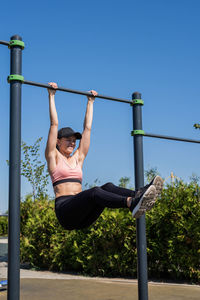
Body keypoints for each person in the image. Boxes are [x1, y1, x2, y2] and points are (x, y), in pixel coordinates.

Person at [45, 82, 163, 230]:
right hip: (66, 212)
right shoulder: (53, 157)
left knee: (108, 186)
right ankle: (130, 203)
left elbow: (87, 129)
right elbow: (53, 125)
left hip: (83, 216)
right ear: (57, 141)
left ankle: (139, 195)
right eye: (68, 140)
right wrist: (51, 95)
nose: (72, 143)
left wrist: (90, 102)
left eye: (74, 140)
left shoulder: (78, 158)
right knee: (94, 192)